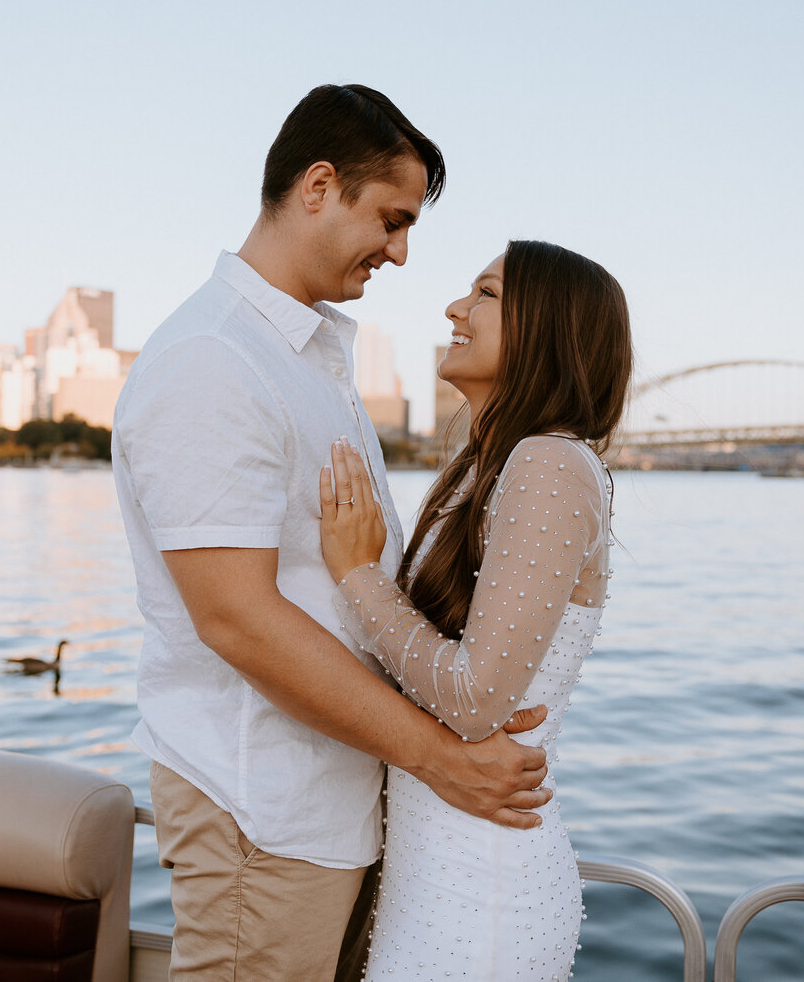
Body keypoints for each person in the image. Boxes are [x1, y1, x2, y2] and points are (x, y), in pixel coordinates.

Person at [112, 85, 554, 982]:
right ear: (318, 186)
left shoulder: (308, 358)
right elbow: (236, 617)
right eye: (391, 220)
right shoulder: (214, 360)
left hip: (340, 805)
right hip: (263, 814)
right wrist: (443, 760)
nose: (400, 251)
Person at [318, 239, 633, 981]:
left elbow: (473, 698)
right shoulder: (486, 469)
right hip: (436, 871)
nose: (457, 308)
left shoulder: (550, 464)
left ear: (546, 327)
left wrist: (359, 574)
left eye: (486, 294)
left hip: (480, 893)